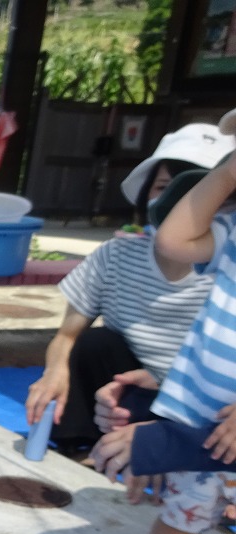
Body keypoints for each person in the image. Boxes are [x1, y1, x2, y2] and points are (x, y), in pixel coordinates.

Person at [95, 117, 236, 534]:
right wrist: (227, 173)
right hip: (203, 413)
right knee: (183, 510)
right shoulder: (232, 233)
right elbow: (174, 240)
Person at [24, 123, 232, 457]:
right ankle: (80, 448)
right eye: (164, 188)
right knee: (93, 343)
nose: (180, 203)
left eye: (196, 192)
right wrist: (54, 372)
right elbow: (67, 335)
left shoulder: (227, 269)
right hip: (127, 390)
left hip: (199, 401)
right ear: (146, 193)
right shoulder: (117, 255)